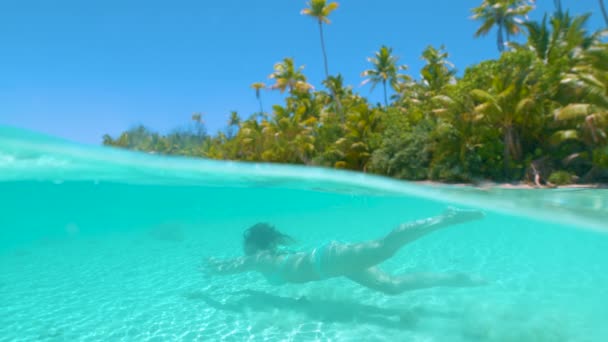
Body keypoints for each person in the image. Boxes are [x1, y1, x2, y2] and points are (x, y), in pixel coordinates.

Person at [203, 207, 486, 295]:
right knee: (391, 286)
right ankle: (455, 278)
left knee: (382, 248)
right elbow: (232, 264)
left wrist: (212, 267)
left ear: (253, 243)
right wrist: (216, 263)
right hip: (332, 265)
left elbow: (232, 267)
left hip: (328, 260)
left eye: (245, 245)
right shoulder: (268, 257)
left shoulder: (258, 258)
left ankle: (445, 218)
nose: (244, 250)